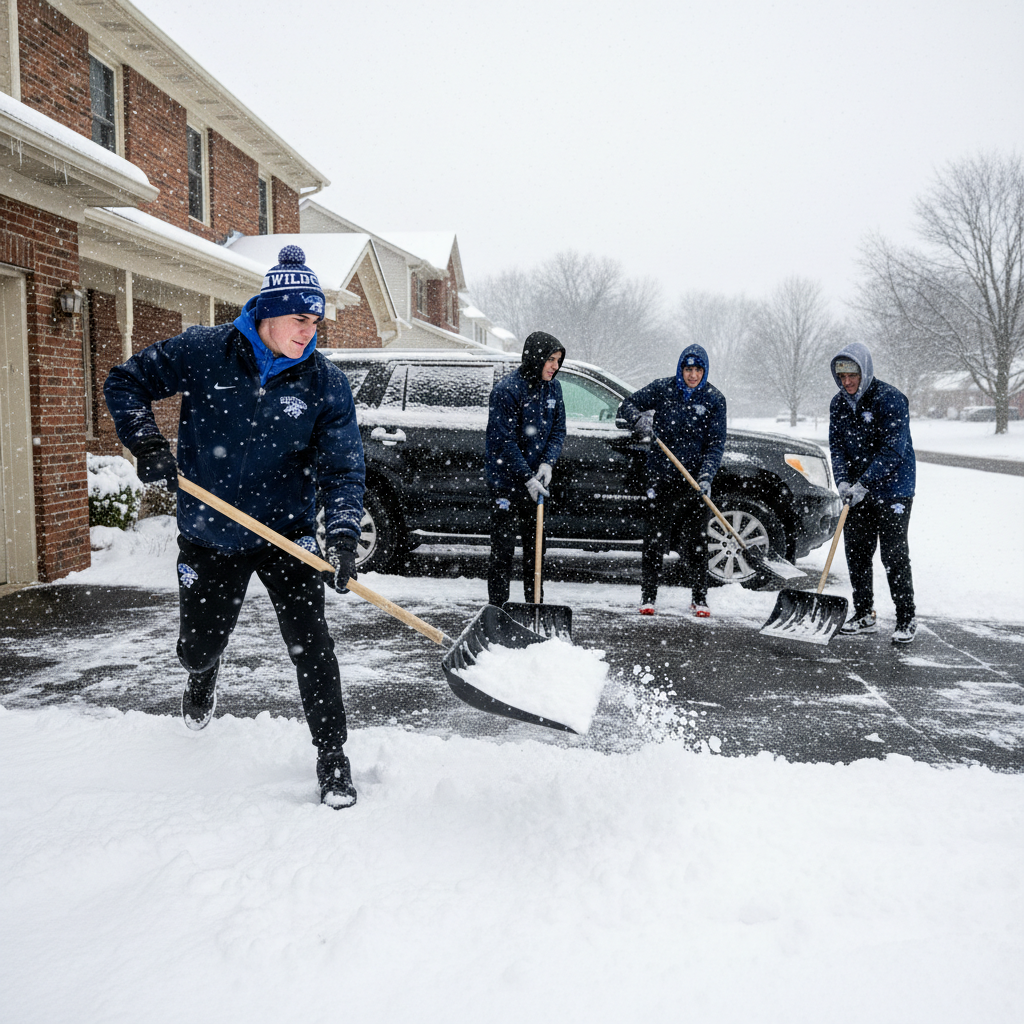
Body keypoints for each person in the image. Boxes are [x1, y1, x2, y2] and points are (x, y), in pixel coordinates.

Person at [104, 246, 366, 808]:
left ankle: (333, 757)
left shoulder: (324, 383)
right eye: (300, 319)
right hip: (210, 535)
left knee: (313, 648)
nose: (309, 331)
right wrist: (147, 443)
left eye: (316, 321)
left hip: (286, 536)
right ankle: (202, 673)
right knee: (196, 647)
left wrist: (342, 536)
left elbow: (342, 466)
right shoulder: (206, 351)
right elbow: (124, 382)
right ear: (267, 314)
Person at [617, 344, 726, 617]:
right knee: (654, 540)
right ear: (681, 369)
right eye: (688, 369)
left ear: (704, 370)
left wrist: (706, 476)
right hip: (662, 477)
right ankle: (648, 596)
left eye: (697, 369)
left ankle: (699, 598)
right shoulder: (663, 389)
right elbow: (626, 405)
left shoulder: (714, 399)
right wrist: (638, 420)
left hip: (694, 483)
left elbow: (715, 445)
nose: (692, 375)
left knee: (697, 541)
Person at [828, 341, 917, 644]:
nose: (847, 382)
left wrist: (864, 482)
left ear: (864, 371)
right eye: (842, 377)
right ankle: (864, 613)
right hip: (856, 491)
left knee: (893, 554)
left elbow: (894, 450)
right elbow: (837, 447)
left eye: (852, 375)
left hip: (894, 489)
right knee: (857, 551)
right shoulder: (838, 404)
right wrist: (842, 482)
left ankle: (906, 617)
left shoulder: (891, 399)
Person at [484, 331, 567, 607]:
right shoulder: (507, 390)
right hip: (507, 483)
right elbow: (503, 442)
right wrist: (527, 478)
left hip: (537, 485)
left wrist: (547, 463)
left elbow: (558, 430)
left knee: (536, 552)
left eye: (558, 360)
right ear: (536, 358)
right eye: (550, 360)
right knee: (503, 552)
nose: (555, 366)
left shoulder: (554, 388)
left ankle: (534, 607)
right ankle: (498, 610)